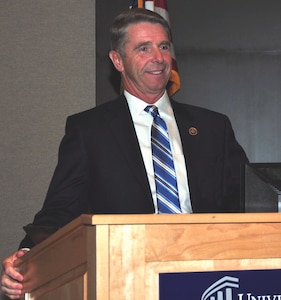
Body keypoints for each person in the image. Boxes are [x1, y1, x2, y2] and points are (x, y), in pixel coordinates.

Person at [1, 8, 248, 299]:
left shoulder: (212, 127)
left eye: (164, 46)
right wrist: (25, 257)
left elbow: (248, 201)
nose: (158, 57)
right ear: (118, 60)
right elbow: (61, 209)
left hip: (208, 274)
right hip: (127, 277)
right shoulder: (89, 130)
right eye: (143, 48)